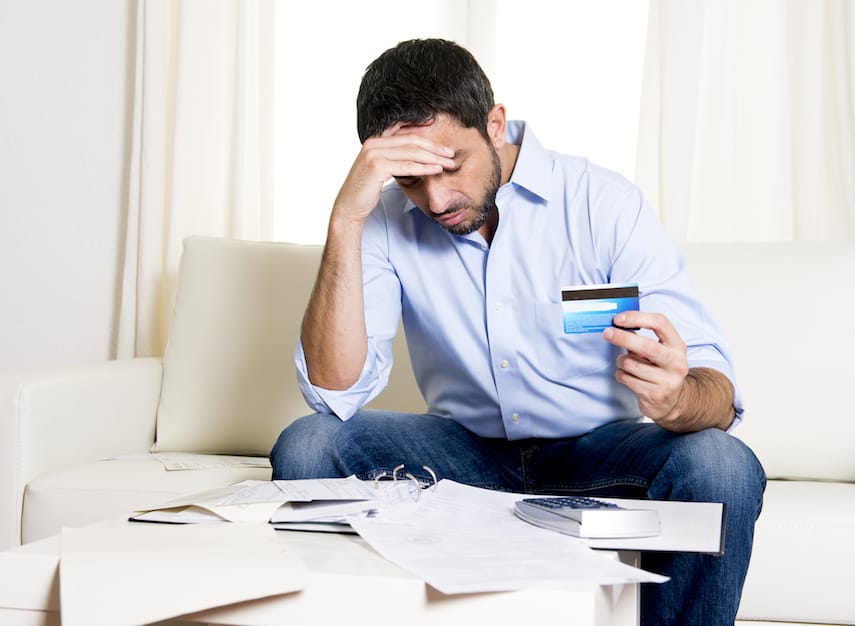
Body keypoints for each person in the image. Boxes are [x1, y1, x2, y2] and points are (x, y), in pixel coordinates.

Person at [270, 38, 766, 626]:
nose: (435, 199)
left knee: (722, 465)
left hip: (599, 453)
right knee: (307, 445)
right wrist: (345, 219)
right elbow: (334, 392)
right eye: (409, 180)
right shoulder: (381, 222)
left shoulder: (601, 205)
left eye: (450, 166)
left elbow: (715, 387)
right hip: (466, 454)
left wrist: (678, 396)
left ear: (495, 124)